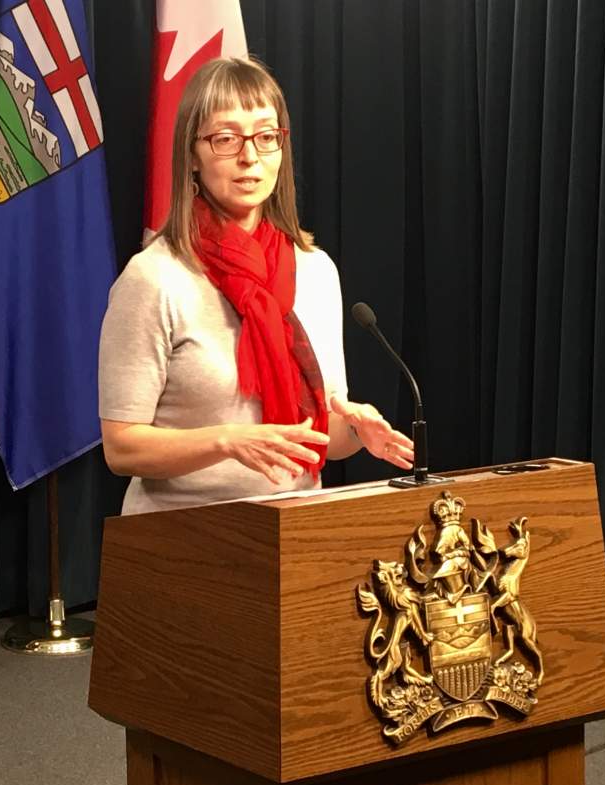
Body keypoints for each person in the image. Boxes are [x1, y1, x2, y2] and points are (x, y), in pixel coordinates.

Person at [98, 57, 413, 515]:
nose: (250, 157)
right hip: (184, 535)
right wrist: (226, 441)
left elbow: (323, 442)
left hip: (297, 527)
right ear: (192, 155)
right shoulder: (155, 278)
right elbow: (121, 448)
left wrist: (355, 430)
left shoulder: (315, 270)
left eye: (266, 136)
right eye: (226, 139)